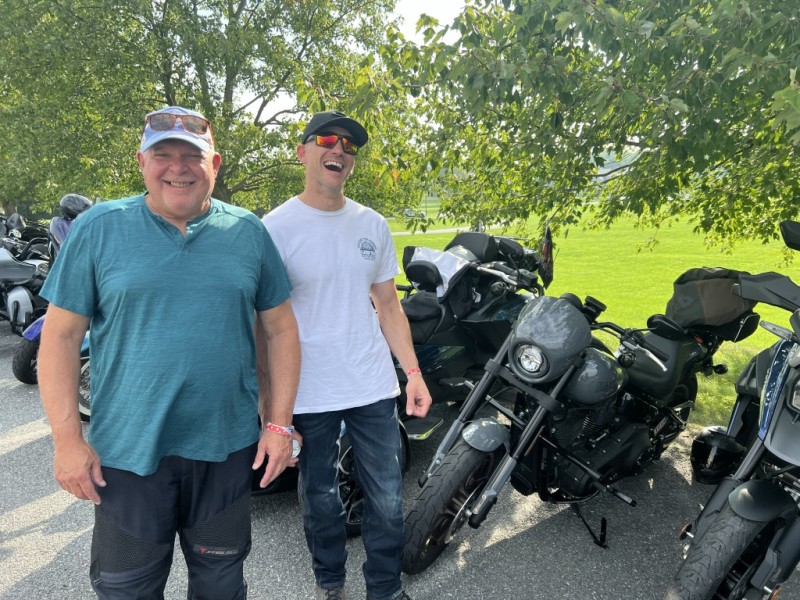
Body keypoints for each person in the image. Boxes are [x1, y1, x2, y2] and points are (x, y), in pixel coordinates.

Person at [38, 105, 301, 600]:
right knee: (127, 589)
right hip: (128, 456)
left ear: (215, 165)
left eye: (192, 156)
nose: (178, 167)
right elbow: (60, 338)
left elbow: (281, 330)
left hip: (226, 451)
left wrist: (279, 423)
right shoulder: (99, 228)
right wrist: (67, 440)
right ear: (142, 162)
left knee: (222, 586)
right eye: (164, 154)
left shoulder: (248, 233)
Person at [260, 110, 432, 600]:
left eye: (349, 146)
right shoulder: (274, 229)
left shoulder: (371, 224)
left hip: (371, 383)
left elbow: (389, 304)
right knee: (319, 499)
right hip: (308, 389)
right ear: (302, 152)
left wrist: (413, 373)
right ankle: (329, 582)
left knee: (388, 498)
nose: (338, 150)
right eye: (326, 140)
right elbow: (262, 325)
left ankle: (384, 587)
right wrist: (272, 410)